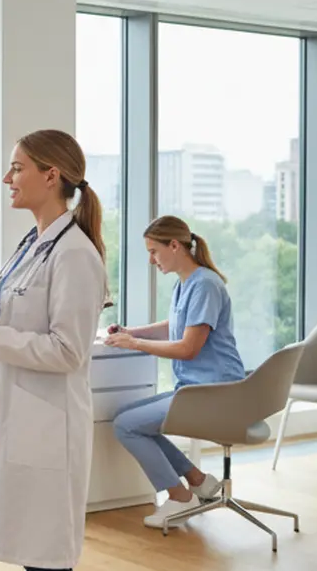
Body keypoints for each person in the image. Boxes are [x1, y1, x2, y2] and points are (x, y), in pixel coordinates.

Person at [0, 129, 108, 571]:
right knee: (34, 555)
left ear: (51, 176)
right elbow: (27, 322)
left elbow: (68, 351)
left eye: (16, 167)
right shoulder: (34, 243)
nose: (7, 177)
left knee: (48, 559)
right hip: (22, 417)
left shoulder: (75, 255)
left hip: (48, 427)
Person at [103, 215, 243, 528]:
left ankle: (180, 497)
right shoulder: (188, 283)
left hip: (216, 393)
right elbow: (175, 327)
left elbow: (187, 348)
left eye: (154, 251)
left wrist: (135, 343)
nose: (152, 260)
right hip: (196, 389)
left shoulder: (205, 284)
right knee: (127, 417)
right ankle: (199, 481)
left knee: (127, 425)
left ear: (175, 245)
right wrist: (130, 331)